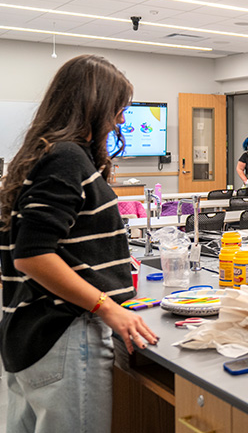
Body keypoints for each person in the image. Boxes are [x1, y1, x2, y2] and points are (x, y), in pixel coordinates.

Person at [0, 54, 158, 432]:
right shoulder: (66, 158)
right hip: (65, 335)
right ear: (93, 104)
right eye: (118, 109)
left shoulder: (41, 152)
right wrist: (107, 306)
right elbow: (33, 255)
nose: (121, 120)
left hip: (31, 334)